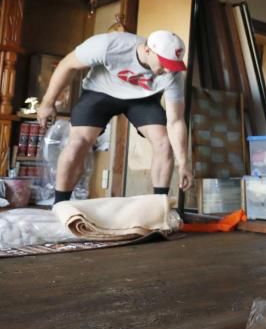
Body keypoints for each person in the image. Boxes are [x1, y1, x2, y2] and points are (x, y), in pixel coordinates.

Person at [37, 30, 194, 202]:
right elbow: (67, 64)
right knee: (76, 144)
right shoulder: (109, 45)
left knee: (164, 144)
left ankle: (159, 207)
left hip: (143, 98)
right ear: (148, 51)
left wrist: (184, 164)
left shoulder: (172, 73)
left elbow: (176, 121)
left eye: (172, 65)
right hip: (100, 91)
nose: (167, 70)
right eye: (164, 64)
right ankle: (60, 205)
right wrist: (47, 102)